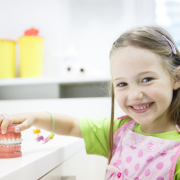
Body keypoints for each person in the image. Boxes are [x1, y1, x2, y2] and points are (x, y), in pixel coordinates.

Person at [1, 25, 180, 180]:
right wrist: (31, 118)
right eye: (122, 84)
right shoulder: (119, 131)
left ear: (176, 78)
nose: (134, 95)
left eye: (147, 79)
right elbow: (72, 126)